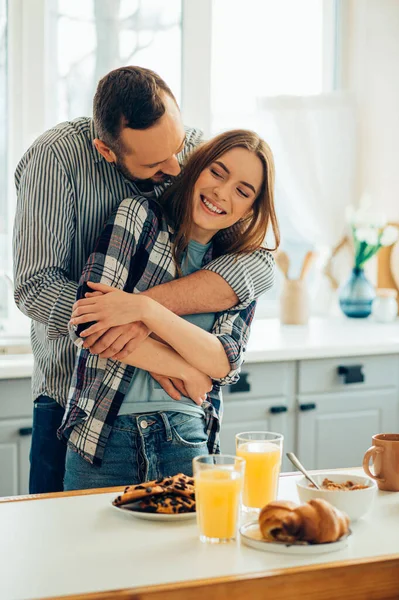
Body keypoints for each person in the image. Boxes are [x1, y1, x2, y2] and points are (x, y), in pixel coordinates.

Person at [13, 66, 275, 495]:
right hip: (78, 399)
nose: (176, 167)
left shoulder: (198, 154)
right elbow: (36, 286)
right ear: (107, 150)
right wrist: (168, 360)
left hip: (183, 416)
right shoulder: (56, 159)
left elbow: (255, 264)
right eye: (156, 163)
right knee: (66, 551)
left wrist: (141, 308)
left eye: (179, 148)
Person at [60, 129, 279, 490]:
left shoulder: (240, 266)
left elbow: (224, 361)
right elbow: (88, 325)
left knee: (191, 546)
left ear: (251, 208)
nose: (221, 193)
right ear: (197, 168)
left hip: (186, 437)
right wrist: (184, 368)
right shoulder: (139, 218)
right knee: (93, 547)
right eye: (217, 172)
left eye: (242, 191)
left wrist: (146, 309)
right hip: (102, 433)